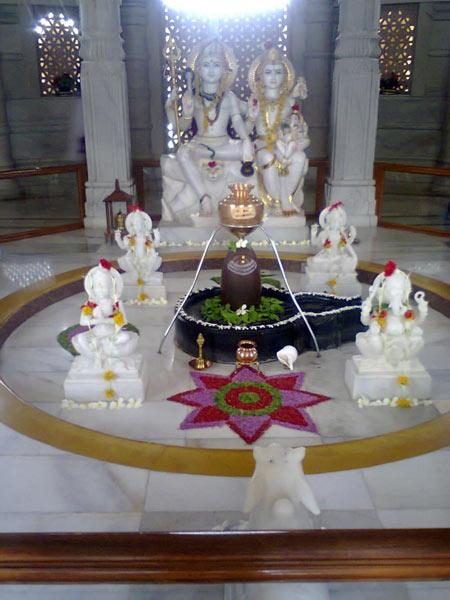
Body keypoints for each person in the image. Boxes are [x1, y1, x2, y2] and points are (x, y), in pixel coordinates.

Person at [162, 39, 253, 221]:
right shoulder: (194, 97)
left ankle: (209, 154)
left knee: (247, 151)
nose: (211, 69)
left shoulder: (228, 97)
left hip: (224, 145)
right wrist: (175, 109)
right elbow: (183, 127)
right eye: (206, 65)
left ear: (225, 71)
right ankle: (204, 199)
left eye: (216, 65)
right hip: (201, 143)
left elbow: (237, 121)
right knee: (182, 153)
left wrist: (246, 140)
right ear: (198, 70)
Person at [247, 43, 309, 215]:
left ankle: (285, 198)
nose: (273, 77)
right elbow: (245, 130)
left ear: (285, 76)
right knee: (268, 157)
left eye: (278, 72)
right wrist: (251, 117)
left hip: (283, 145)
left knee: (300, 157)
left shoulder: (289, 102)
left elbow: (295, 127)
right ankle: (276, 199)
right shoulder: (255, 100)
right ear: (260, 76)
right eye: (268, 72)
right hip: (262, 146)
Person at [72, 259, 138, 364]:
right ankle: (98, 356)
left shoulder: (116, 303)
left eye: (105, 287)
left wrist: (106, 321)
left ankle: (101, 345)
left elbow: (124, 321)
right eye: (98, 287)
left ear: (112, 288)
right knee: (80, 338)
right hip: (96, 332)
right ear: (93, 289)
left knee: (126, 337)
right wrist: (97, 321)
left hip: (112, 333)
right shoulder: (90, 304)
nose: (101, 290)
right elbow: (83, 322)